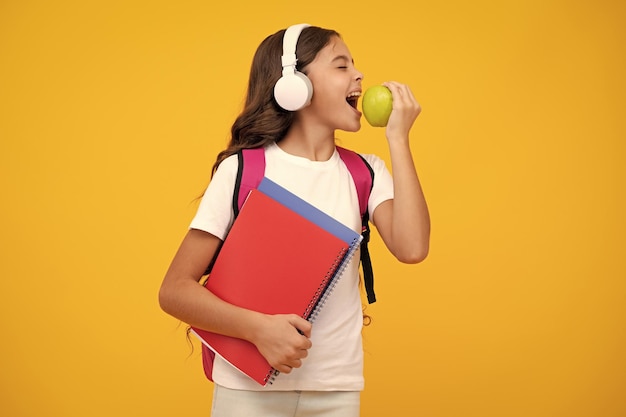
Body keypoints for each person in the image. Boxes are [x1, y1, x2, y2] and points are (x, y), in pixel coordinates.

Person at [159, 23, 430, 417]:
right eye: (341, 66)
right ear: (294, 86)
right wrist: (258, 330)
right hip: (246, 392)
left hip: (335, 392)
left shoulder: (365, 174)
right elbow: (175, 290)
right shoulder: (243, 171)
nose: (359, 75)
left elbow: (413, 247)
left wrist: (398, 140)